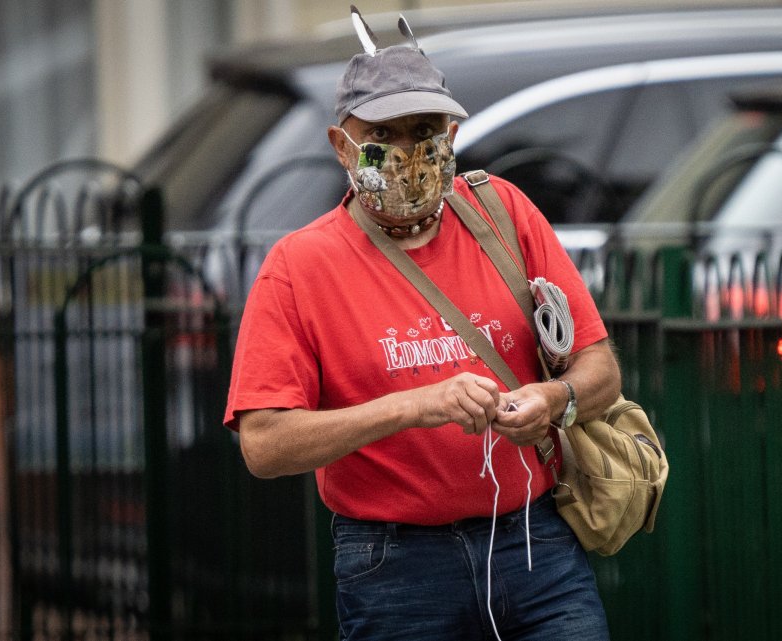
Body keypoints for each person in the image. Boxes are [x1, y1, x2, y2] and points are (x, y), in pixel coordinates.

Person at [224, 13, 621, 641]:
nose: (409, 152)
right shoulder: (298, 267)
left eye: (426, 130)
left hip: (533, 543)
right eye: (384, 133)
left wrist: (552, 399)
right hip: (395, 566)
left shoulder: (504, 214)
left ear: (453, 132)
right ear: (340, 145)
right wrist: (410, 407)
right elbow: (264, 445)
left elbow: (600, 372)